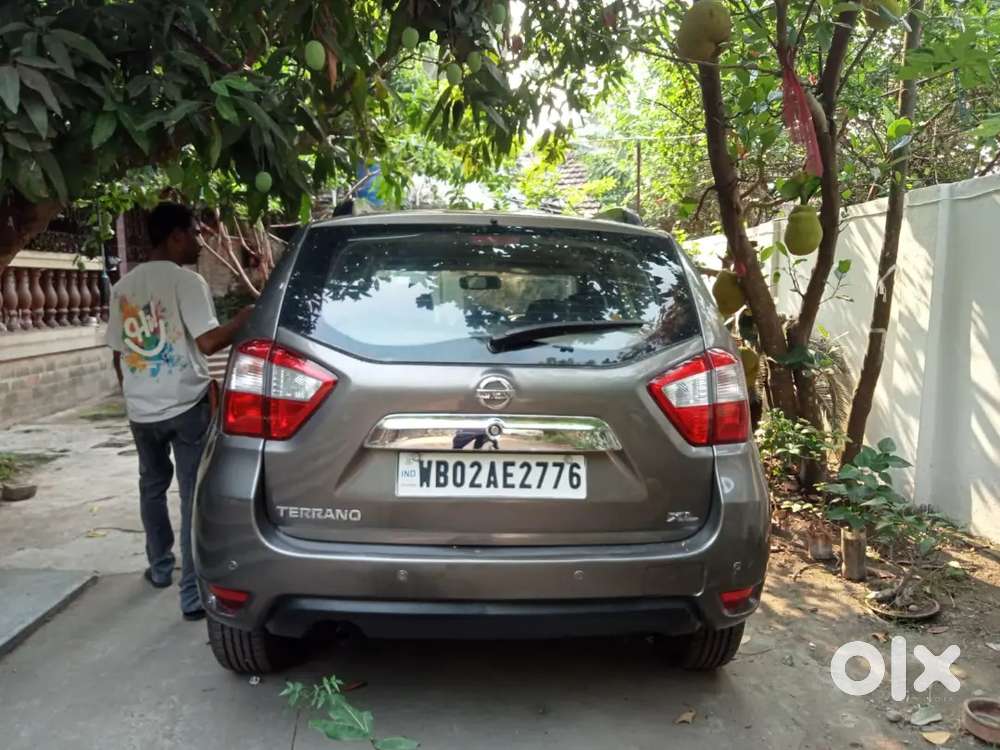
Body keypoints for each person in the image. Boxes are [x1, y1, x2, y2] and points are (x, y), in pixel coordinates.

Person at [106, 202, 253, 621]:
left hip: (141, 409)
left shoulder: (123, 287)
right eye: (193, 233)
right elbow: (208, 344)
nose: (199, 242)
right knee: (192, 494)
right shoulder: (186, 282)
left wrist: (136, 394)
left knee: (151, 487)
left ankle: (159, 568)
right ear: (174, 236)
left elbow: (119, 356)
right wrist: (246, 316)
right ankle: (191, 595)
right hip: (186, 405)